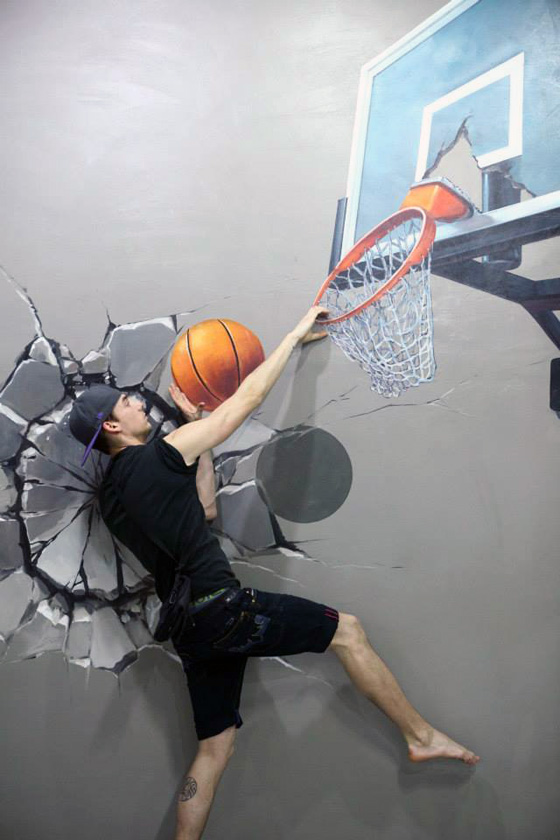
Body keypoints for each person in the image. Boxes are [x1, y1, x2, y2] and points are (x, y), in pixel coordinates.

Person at [69, 305, 480, 840]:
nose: (138, 403)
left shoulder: (112, 498)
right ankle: (420, 736)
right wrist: (293, 335)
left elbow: (207, 510)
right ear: (112, 425)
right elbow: (247, 400)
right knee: (348, 631)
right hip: (222, 609)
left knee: (215, 747)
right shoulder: (159, 457)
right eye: (127, 402)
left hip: (189, 631)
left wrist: (200, 437)